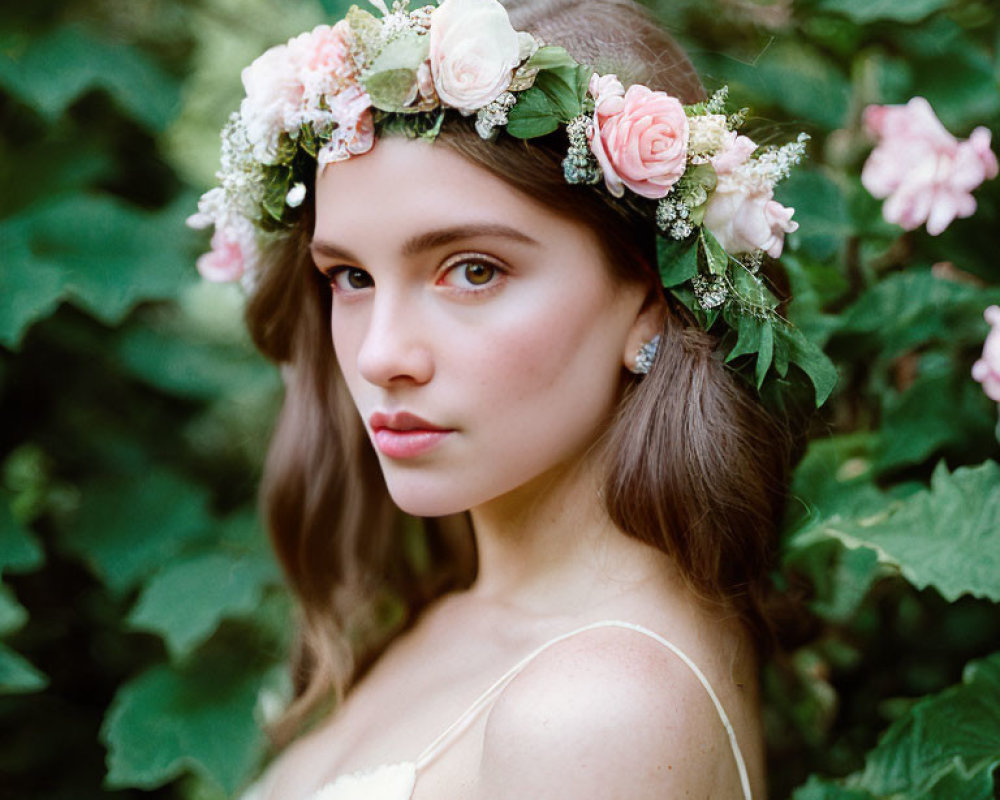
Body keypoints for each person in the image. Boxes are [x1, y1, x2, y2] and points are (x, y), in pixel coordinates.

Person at [188, 0, 832, 797]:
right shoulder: (438, 615)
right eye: (351, 277)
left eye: (473, 270)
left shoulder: (597, 711)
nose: (383, 355)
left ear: (650, 304)